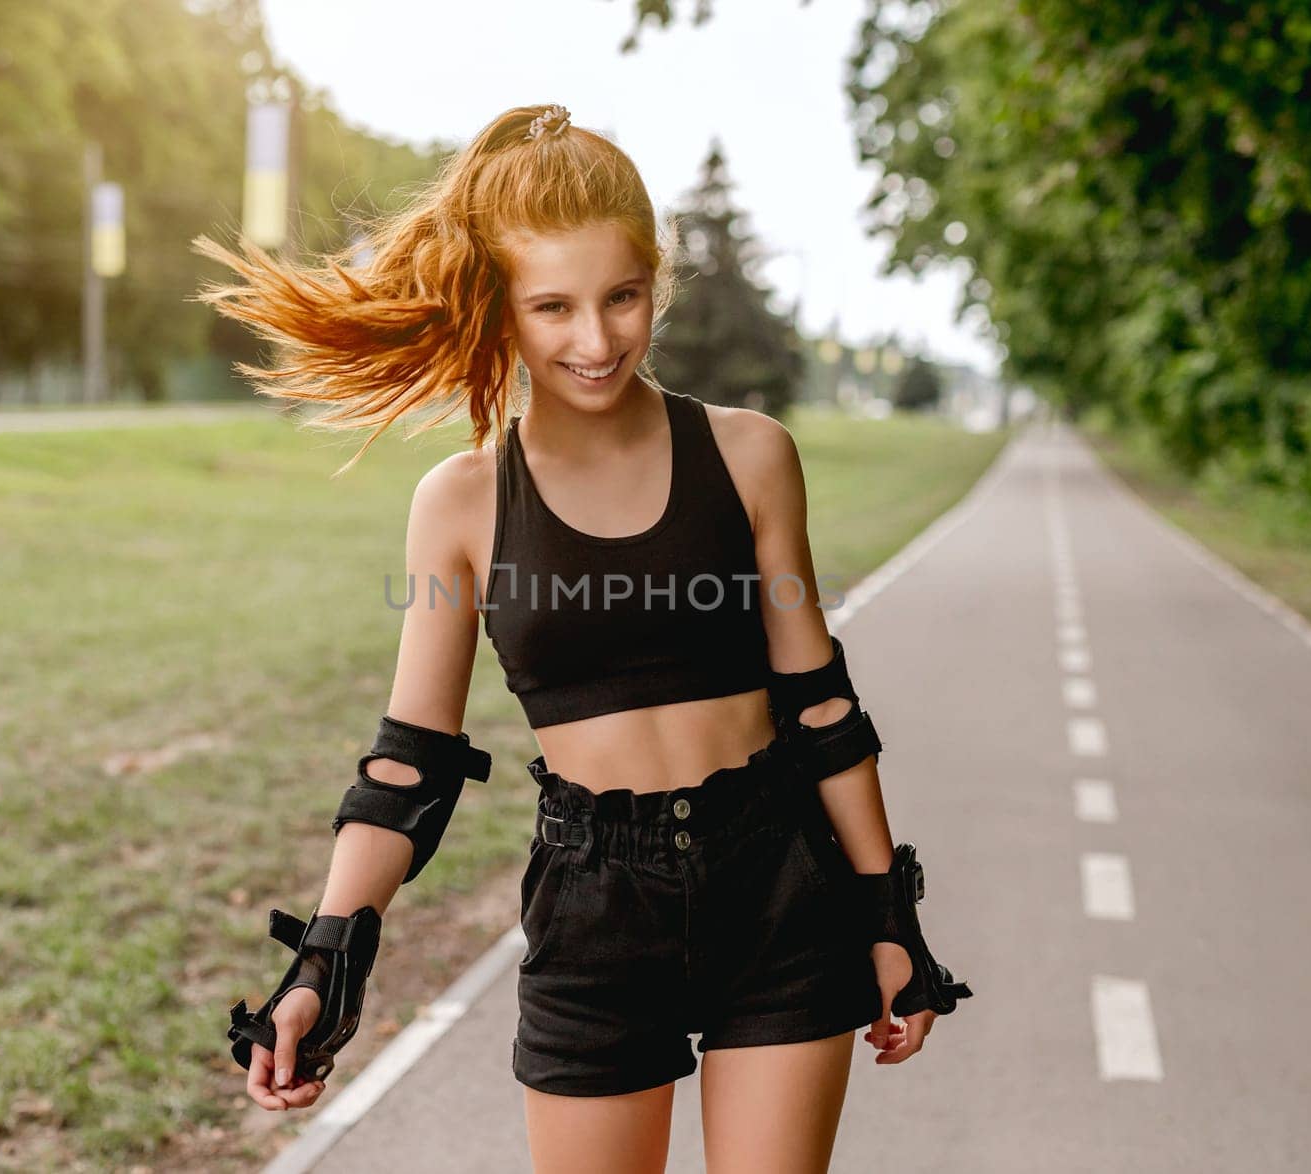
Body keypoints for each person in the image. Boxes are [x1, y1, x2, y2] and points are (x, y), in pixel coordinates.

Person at [194, 103, 969, 1173]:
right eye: (551, 306)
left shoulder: (750, 458)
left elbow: (820, 705)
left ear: (658, 280)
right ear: (498, 309)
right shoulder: (461, 502)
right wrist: (326, 960)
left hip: (774, 884)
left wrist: (890, 913)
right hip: (596, 904)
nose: (594, 339)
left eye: (622, 297)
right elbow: (408, 761)